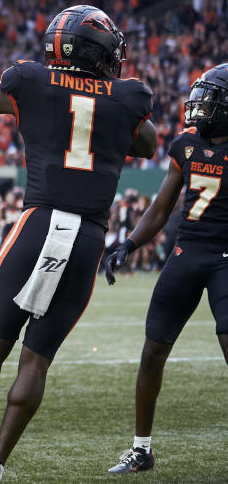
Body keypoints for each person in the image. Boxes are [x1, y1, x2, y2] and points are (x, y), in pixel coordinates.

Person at [0, 5, 157, 484]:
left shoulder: (31, 81)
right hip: (88, 236)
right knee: (36, 358)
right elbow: (147, 144)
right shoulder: (130, 98)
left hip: (36, 224)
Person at [104, 64, 228, 475]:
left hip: (226, 258)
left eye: (210, 99)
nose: (200, 107)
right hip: (187, 251)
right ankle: (141, 449)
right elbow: (161, 207)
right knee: (153, 349)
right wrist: (130, 243)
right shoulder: (185, 144)